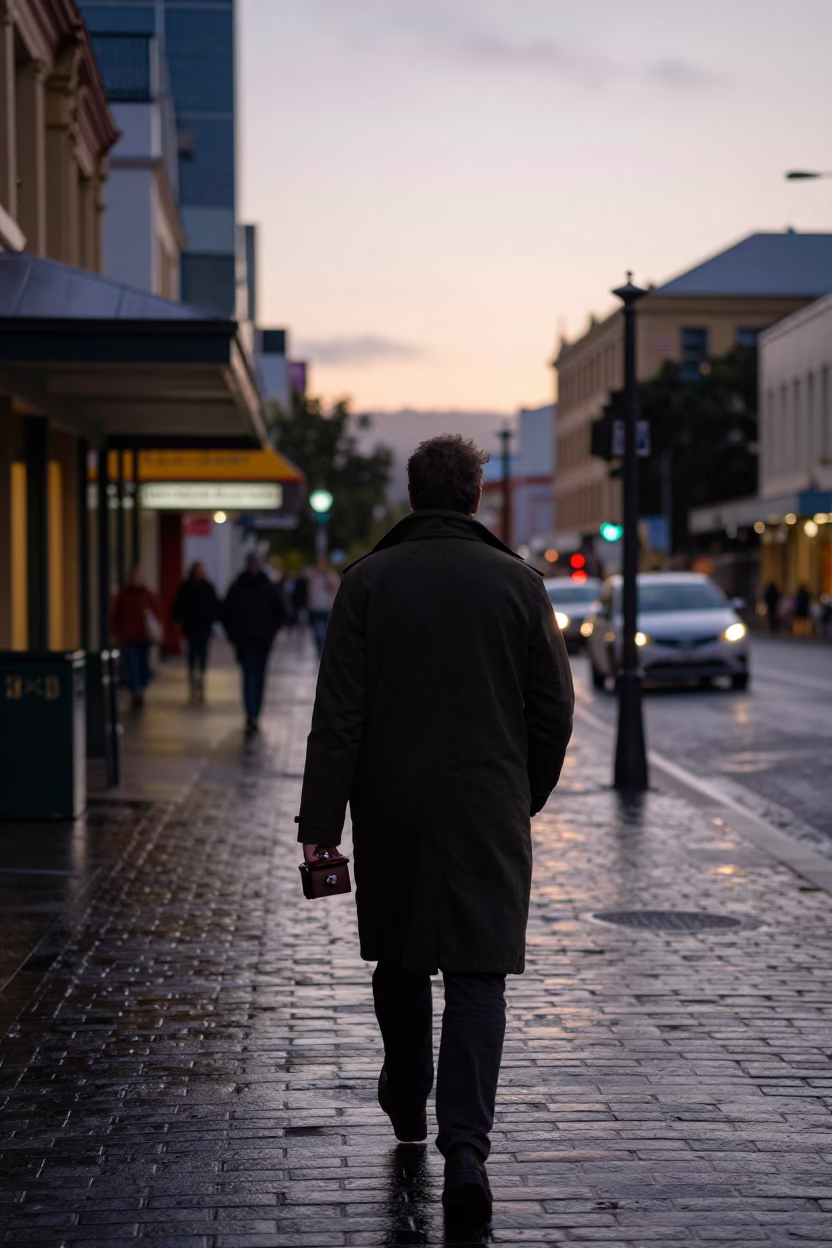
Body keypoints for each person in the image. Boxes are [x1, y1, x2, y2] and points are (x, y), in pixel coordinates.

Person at [296, 435, 573, 1226]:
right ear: (477, 497)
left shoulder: (368, 583)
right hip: (489, 808)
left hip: (393, 810)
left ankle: (405, 1094)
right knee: (480, 975)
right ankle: (466, 1151)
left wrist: (322, 824)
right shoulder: (521, 586)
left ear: (412, 496)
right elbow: (553, 710)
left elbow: (338, 719)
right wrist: (524, 794)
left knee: (402, 957)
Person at [222, 552, 285, 734]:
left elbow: (280, 612)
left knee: (257, 676)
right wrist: (234, 635)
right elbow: (227, 613)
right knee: (251, 675)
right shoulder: (239, 587)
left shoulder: (267, 587)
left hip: (261, 641)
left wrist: (270, 632)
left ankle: (254, 712)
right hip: (246, 641)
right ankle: (252, 714)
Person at [110, 567, 163, 708]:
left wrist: (157, 629)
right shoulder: (123, 595)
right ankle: (136, 692)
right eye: (134, 577)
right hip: (128, 637)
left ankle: (140, 688)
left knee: (143, 666)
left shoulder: (147, 594)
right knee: (132, 666)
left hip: (144, 637)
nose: (136, 579)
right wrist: (115, 632)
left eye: (138, 577)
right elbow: (116, 615)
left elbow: (157, 613)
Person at [171, 561, 219, 703]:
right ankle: (193, 680)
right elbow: (179, 604)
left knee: (203, 655)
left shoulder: (208, 587)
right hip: (191, 628)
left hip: (204, 628)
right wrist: (177, 620)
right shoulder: (186, 587)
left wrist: (213, 619)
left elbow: (214, 605)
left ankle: (201, 679)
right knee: (192, 655)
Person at [307, 558, 339, 656]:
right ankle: (320, 651)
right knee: (318, 632)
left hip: (328, 607)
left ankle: (326, 651)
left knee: (326, 631)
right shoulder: (314, 577)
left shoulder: (332, 576)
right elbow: (310, 592)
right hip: (317, 608)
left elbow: (334, 588)